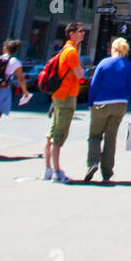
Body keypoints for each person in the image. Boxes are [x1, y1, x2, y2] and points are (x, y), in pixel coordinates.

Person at [84, 37, 131, 183]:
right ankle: (107, 172)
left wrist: (90, 102)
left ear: (113, 49)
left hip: (101, 103)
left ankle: (93, 162)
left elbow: (94, 85)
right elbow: (130, 87)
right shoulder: (127, 65)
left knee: (95, 135)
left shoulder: (103, 63)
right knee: (110, 138)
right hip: (120, 104)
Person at [43, 22, 86, 183]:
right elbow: (79, 74)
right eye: (80, 31)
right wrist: (82, 71)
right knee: (59, 135)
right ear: (71, 34)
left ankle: (48, 169)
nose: (83, 34)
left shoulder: (64, 50)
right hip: (67, 96)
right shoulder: (72, 52)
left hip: (58, 95)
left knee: (52, 132)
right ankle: (56, 172)